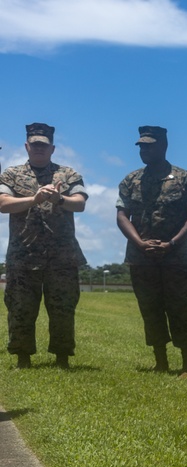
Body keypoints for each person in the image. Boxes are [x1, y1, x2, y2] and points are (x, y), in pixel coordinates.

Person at [0, 123, 88, 369]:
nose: (39, 148)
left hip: (62, 257)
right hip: (23, 255)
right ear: (27, 147)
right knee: (20, 309)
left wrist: (59, 198)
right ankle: (22, 358)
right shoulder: (11, 174)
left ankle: (62, 358)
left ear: (52, 148)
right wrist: (34, 198)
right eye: (35, 144)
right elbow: (3, 203)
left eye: (44, 145)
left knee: (63, 308)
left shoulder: (68, 174)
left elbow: (80, 203)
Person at [116, 126, 187, 375]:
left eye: (149, 145)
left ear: (163, 146)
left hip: (176, 256)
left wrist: (172, 243)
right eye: (141, 146)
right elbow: (122, 216)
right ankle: (160, 362)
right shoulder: (131, 180)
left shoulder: (185, 179)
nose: (144, 150)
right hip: (141, 257)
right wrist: (139, 243)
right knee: (150, 308)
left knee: (181, 307)